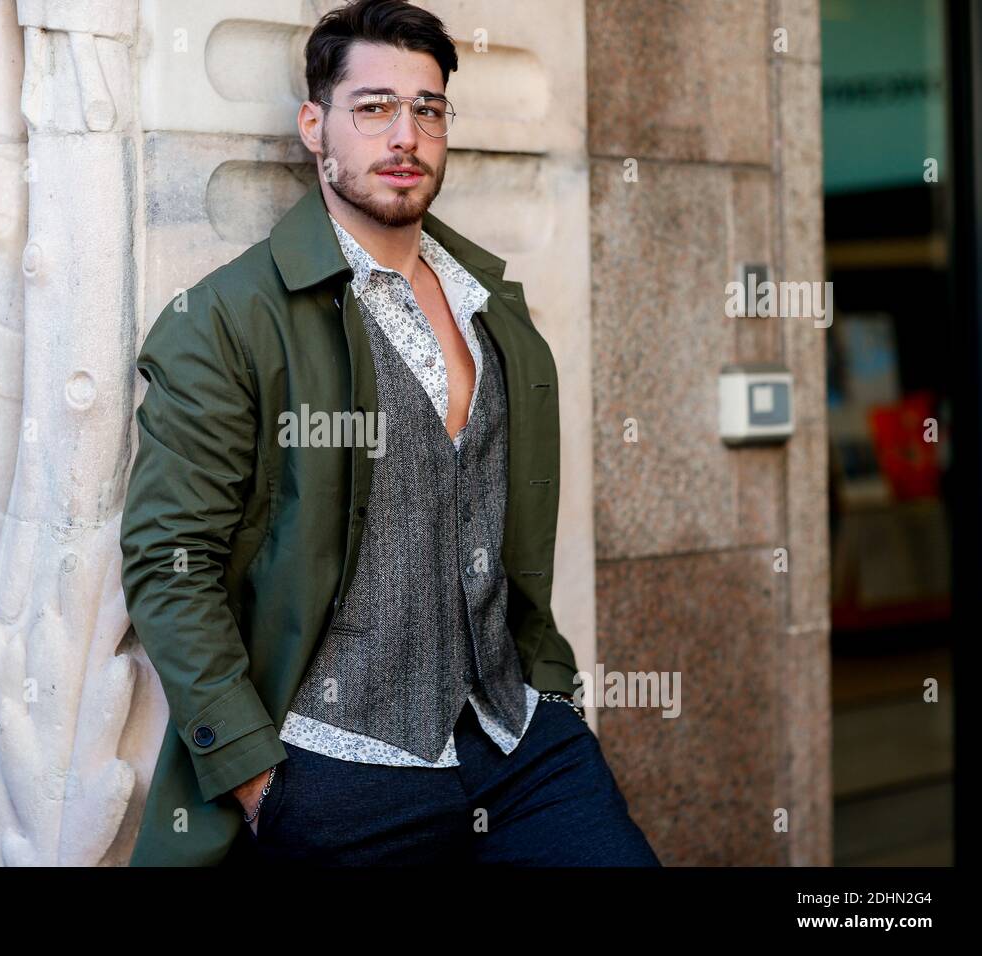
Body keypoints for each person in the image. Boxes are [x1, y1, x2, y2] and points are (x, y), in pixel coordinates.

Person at [120, 0, 660, 866]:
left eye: (427, 108)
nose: (403, 134)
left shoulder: (496, 313)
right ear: (315, 125)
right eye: (372, 107)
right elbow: (166, 562)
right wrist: (261, 782)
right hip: (337, 767)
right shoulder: (227, 321)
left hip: (517, 741)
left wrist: (550, 690)